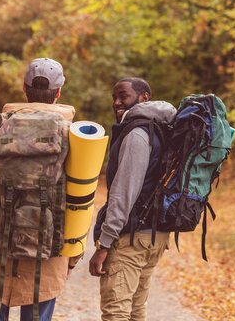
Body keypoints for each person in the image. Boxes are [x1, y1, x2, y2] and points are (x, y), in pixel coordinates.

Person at [0, 58, 81, 321]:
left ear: (24, 90)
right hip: (48, 257)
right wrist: (71, 257)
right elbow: (80, 200)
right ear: (58, 93)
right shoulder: (73, 136)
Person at [89, 78, 177, 321]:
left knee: (116, 312)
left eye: (123, 96)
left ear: (144, 97)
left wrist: (103, 245)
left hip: (131, 238)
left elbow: (124, 193)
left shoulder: (137, 134)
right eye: (114, 97)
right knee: (136, 311)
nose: (117, 102)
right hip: (154, 236)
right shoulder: (161, 130)